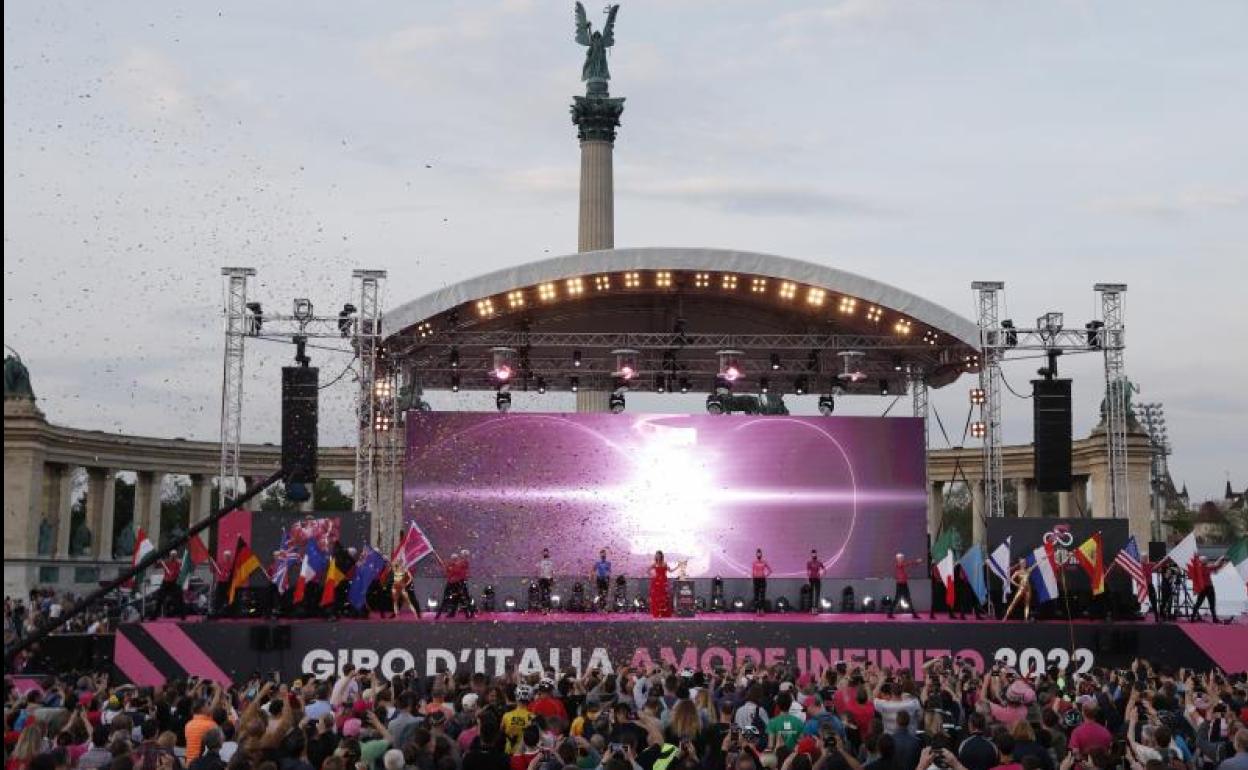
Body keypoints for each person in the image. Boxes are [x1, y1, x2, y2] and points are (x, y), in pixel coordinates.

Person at [1189, 556, 1224, 623]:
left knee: (1198, 603)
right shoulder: (1207, 567)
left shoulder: (1198, 568)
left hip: (1202, 588)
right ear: (1203, 561)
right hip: (1208, 587)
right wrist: (1220, 559)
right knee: (1212, 604)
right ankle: (1214, 618)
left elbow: (1215, 565)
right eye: (1206, 560)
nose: (1207, 561)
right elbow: (1217, 566)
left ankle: (1192, 618)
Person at [888, 553, 922, 619]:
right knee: (897, 600)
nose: (903, 559)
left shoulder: (901, 565)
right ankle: (890, 614)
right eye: (901, 558)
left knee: (908, 599)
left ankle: (914, 614)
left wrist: (916, 563)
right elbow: (907, 564)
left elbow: (907, 566)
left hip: (904, 584)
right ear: (898, 559)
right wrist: (916, 561)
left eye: (903, 558)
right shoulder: (898, 564)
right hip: (900, 585)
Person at [649, 551, 674, 618]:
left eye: (659, 555)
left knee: (664, 597)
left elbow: (671, 571)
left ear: (661, 556)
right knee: (657, 597)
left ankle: (663, 613)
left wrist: (678, 566)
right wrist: (653, 576)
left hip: (663, 581)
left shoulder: (665, 563)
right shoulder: (654, 564)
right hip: (656, 582)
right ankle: (658, 613)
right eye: (657, 555)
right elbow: (648, 570)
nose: (658, 556)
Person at [751, 549, 772, 615]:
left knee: (762, 595)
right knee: (756, 595)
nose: (759, 555)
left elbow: (770, 570)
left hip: (762, 579)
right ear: (756, 554)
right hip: (756, 579)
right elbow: (753, 571)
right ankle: (757, 609)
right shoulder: (754, 562)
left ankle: (762, 609)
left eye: (760, 553)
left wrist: (765, 575)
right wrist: (753, 577)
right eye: (758, 554)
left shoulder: (764, 562)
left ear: (761, 554)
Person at [807, 550, 825, 614]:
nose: (814, 555)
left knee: (817, 594)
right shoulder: (809, 562)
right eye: (813, 554)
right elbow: (808, 571)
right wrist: (808, 578)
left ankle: (816, 608)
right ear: (811, 554)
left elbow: (824, 569)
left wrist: (821, 574)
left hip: (817, 579)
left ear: (816, 554)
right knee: (811, 594)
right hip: (811, 579)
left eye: (815, 554)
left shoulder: (819, 562)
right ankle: (811, 608)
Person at [537, 549, 555, 614]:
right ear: (543, 554)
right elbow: (538, 571)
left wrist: (552, 579)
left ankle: (548, 608)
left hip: (548, 579)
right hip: (542, 579)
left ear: (548, 553)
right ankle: (543, 608)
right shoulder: (540, 562)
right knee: (542, 594)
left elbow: (552, 571)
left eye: (546, 553)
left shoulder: (551, 562)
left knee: (548, 594)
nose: (545, 554)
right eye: (544, 553)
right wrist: (539, 578)